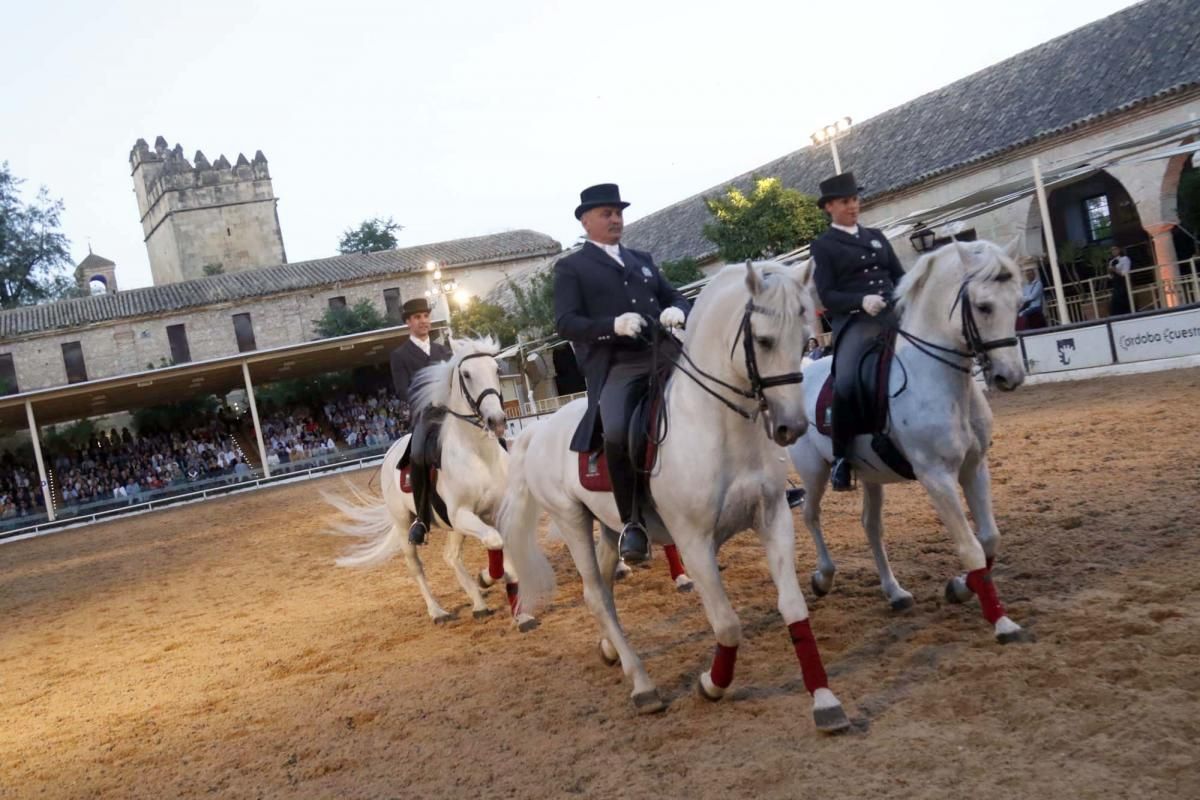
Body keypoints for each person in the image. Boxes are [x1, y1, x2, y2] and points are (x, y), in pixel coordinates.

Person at [554, 183, 690, 563]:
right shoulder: (571, 267)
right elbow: (565, 323)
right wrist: (611, 325)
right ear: (586, 221)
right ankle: (632, 522)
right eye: (606, 214)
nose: (615, 219)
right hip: (618, 363)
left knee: (725, 388)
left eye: (618, 213)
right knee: (615, 429)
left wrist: (678, 310)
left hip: (665, 352)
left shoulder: (641, 258)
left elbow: (675, 295)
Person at [810, 172, 907, 492]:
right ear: (829, 207)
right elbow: (827, 295)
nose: (853, 206)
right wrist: (861, 301)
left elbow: (900, 275)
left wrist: (903, 298)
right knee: (847, 381)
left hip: (893, 316)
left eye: (855, 199)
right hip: (855, 323)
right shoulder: (823, 246)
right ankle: (841, 457)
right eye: (845, 201)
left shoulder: (877, 236)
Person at [390, 296, 453, 546]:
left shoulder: (443, 350)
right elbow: (401, 390)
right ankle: (422, 519)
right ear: (408, 322)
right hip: (425, 416)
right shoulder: (400, 355)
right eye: (417, 317)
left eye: (426, 316)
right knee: (417, 454)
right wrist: (428, 399)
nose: (423, 321)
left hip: (450, 413)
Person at [1017, 265, 1047, 330]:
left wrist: (1025, 297)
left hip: (1035, 307)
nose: (1029, 276)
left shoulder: (1038, 284)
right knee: (1016, 315)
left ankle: (1028, 331)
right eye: (1027, 275)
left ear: (1034, 275)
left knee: (1023, 315)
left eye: (1030, 274)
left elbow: (1032, 296)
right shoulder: (1025, 286)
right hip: (1026, 307)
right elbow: (1022, 296)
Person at [1107, 245, 1132, 316]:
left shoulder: (1125, 259)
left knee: (1124, 299)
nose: (1114, 251)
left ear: (1119, 250)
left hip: (1123, 282)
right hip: (1116, 283)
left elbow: (1125, 273)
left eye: (1115, 249)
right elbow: (1110, 276)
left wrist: (1115, 269)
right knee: (1115, 302)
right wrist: (1109, 271)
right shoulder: (1111, 261)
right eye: (1112, 250)